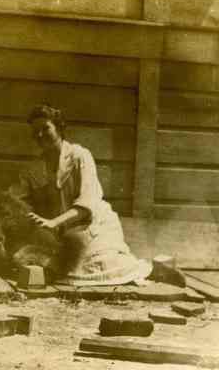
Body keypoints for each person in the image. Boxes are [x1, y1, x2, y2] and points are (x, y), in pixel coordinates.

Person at [10, 104, 151, 285]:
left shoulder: (79, 156)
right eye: (35, 131)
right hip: (60, 231)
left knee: (91, 267)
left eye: (45, 128)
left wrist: (54, 222)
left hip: (91, 225)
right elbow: (16, 198)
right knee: (31, 259)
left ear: (59, 128)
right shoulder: (34, 169)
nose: (40, 135)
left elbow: (87, 203)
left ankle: (154, 270)